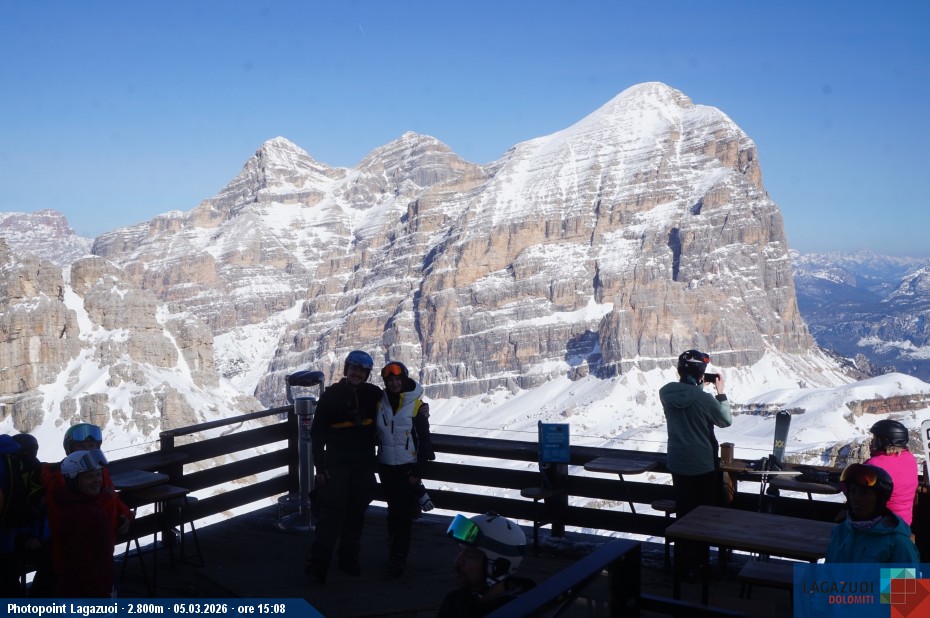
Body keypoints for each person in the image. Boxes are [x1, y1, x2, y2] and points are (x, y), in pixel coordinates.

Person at [305, 350, 383, 583]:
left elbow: (399, 403)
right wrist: (320, 467)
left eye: (362, 371)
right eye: (354, 369)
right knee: (330, 517)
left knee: (355, 515)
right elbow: (317, 434)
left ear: (367, 374)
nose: (357, 374)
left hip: (363, 466)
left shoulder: (374, 394)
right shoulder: (331, 396)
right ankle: (318, 565)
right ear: (347, 369)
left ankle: (349, 558)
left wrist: (421, 408)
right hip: (336, 466)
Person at [659, 349, 732, 575]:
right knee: (702, 517)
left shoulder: (666, 392)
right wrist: (720, 392)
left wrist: (697, 385)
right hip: (702, 465)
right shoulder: (704, 398)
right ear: (701, 372)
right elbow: (725, 420)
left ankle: (684, 565)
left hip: (678, 463)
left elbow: (686, 398)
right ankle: (700, 564)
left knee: (684, 514)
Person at [376, 361, 436, 575]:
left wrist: (418, 470)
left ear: (404, 380)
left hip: (407, 469)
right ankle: (394, 550)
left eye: (398, 379)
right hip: (386, 468)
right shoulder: (379, 402)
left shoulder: (416, 406)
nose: (394, 383)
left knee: (402, 515)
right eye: (390, 380)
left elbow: (425, 441)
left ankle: (398, 557)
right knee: (393, 511)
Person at [437, 512, 534, 617]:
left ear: (499, 568)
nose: (458, 561)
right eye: (460, 551)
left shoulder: (519, 612)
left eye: (471, 556)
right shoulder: (455, 601)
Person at [51, 450, 118, 597]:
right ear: (73, 481)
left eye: (98, 475)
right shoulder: (77, 515)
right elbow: (82, 563)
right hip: (86, 594)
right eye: (89, 477)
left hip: (92, 588)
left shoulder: (88, 505)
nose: (97, 480)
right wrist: (100, 595)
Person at [825, 463, 920, 564]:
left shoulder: (896, 542)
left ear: (880, 499)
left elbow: (905, 575)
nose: (856, 498)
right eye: (853, 491)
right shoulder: (840, 533)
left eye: (864, 493)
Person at [864, 419, 918, 526]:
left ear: (883, 442)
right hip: (904, 524)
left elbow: (856, 492)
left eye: (875, 438)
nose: (872, 441)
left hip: (880, 525)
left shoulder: (875, 464)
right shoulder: (910, 458)